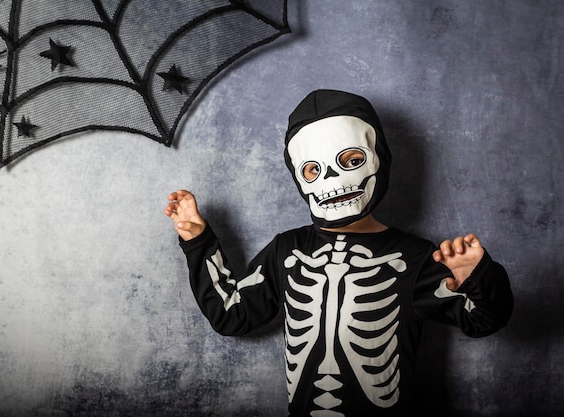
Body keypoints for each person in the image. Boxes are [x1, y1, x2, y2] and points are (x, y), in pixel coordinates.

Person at [164, 89, 513, 416]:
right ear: (299, 178)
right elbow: (231, 314)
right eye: (313, 169)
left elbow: (482, 320)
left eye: (350, 159)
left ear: (379, 159)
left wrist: (479, 277)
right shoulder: (286, 251)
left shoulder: (416, 258)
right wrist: (199, 242)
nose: (331, 178)